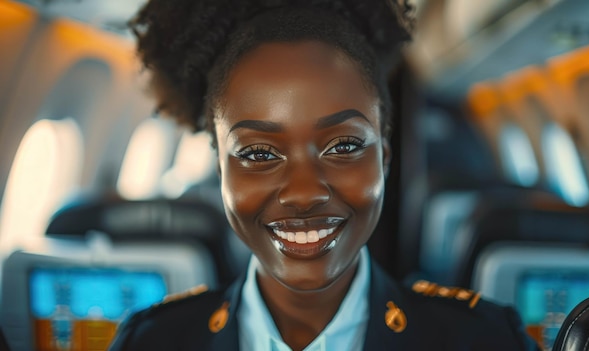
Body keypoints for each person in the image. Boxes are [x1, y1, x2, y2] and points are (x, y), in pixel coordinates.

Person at [109, 0, 540, 350]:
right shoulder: (151, 341)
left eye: (344, 147)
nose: (304, 192)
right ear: (220, 170)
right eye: (259, 153)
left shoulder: (486, 339)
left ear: (384, 159)